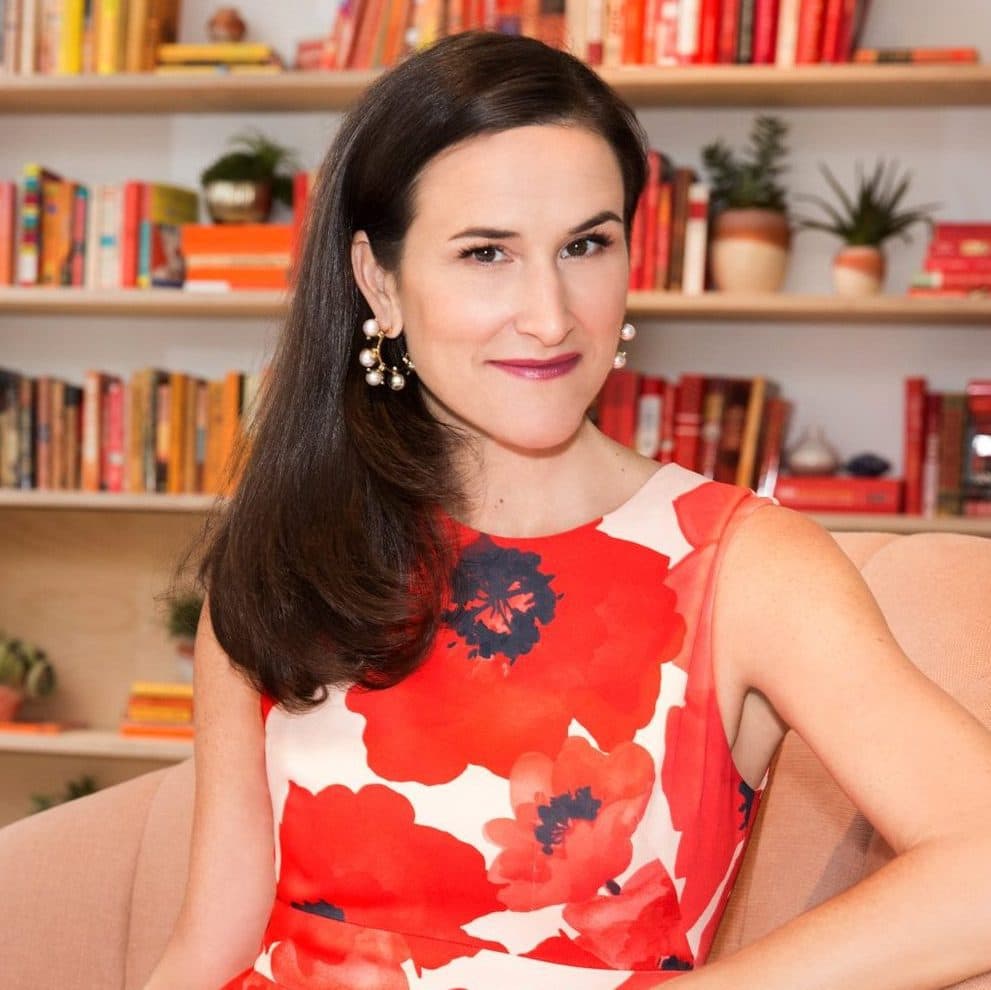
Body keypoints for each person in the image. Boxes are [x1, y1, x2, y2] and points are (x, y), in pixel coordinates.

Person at [145, 30, 991, 990]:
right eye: (486, 253)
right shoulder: (286, 561)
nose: (550, 316)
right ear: (378, 280)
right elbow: (207, 945)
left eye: (585, 244)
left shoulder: (744, 566)